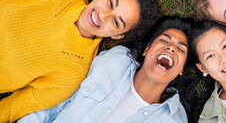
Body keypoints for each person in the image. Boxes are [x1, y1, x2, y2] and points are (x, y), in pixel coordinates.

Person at [0, 0, 159, 122]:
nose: (103, 15)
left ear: (117, 36)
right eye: (111, 3)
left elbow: (11, 108)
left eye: (116, 22)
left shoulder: (72, 74)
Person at [19, 16, 194, 123]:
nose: (171, 48)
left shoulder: (173, 119)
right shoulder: (115, 61)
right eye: (164, 40)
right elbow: (57, 103)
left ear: (181, 69)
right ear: (147, 49)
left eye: (180, 49)